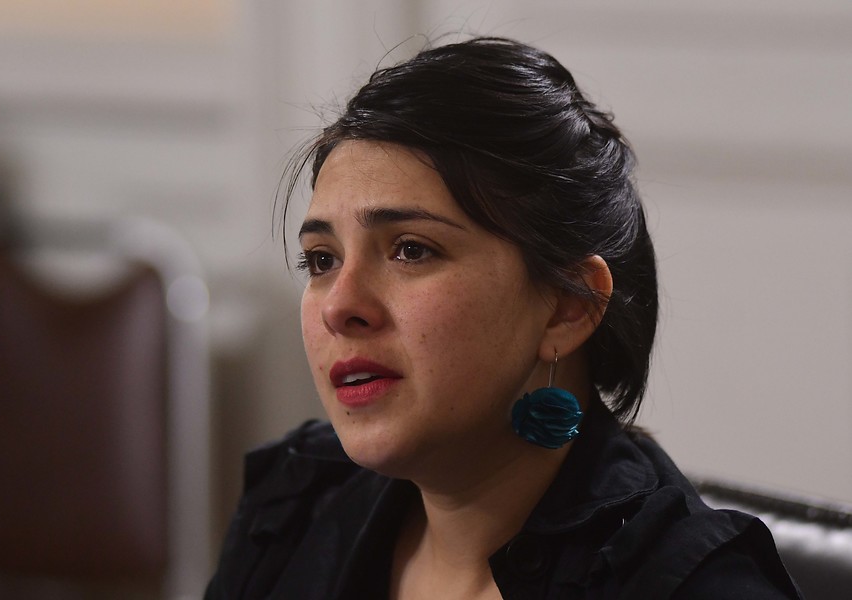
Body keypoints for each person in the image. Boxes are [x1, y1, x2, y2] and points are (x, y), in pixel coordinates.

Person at [206, 37, 802, 599]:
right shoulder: (295, 504)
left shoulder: (691, 585)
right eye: (322, 260)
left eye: (411, 250)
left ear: (568, 307)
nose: (339, 307)